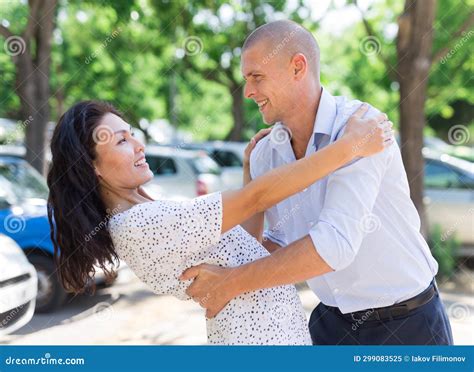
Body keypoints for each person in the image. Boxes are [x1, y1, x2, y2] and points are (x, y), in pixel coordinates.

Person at [182, 20, 453, 345]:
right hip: (330, 326)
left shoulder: (361, 129)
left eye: (256, 77)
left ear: (298, 67)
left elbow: (334, 245)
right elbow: (279, 239)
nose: (249, 91)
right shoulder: (264, 155)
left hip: (409, 326)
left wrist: (230, 282)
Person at [47, 100, 392, 345]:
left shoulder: (145, 212)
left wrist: (249, 172)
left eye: (131, 134)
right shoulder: (139, 224)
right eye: (121, 141)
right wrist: (350, 147)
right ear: (90, 165)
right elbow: (256, 199)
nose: (138, 145)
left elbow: (242, 243)